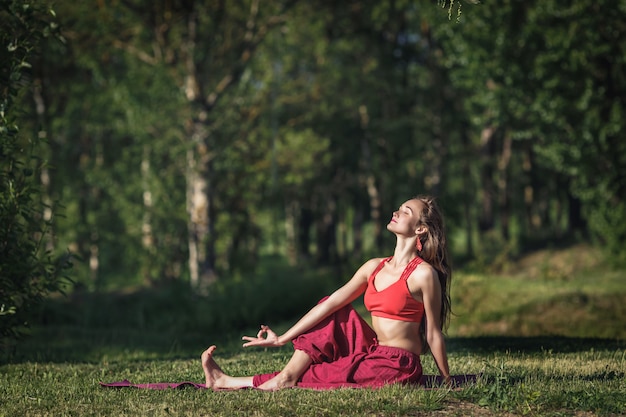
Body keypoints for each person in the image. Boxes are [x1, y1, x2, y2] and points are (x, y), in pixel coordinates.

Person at [201, 195, 452, 390]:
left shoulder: (423, 275)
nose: (396, 212)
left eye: (406, 211)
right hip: (373, 349)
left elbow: (433, 334)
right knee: (333, 311)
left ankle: (230, 381)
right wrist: (282, 338)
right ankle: (278, 377)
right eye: (398, 208)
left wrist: (446, 379)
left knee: (322, 375)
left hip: (398, 364)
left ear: (420, 229)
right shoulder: (374, 267)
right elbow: (330, 304)